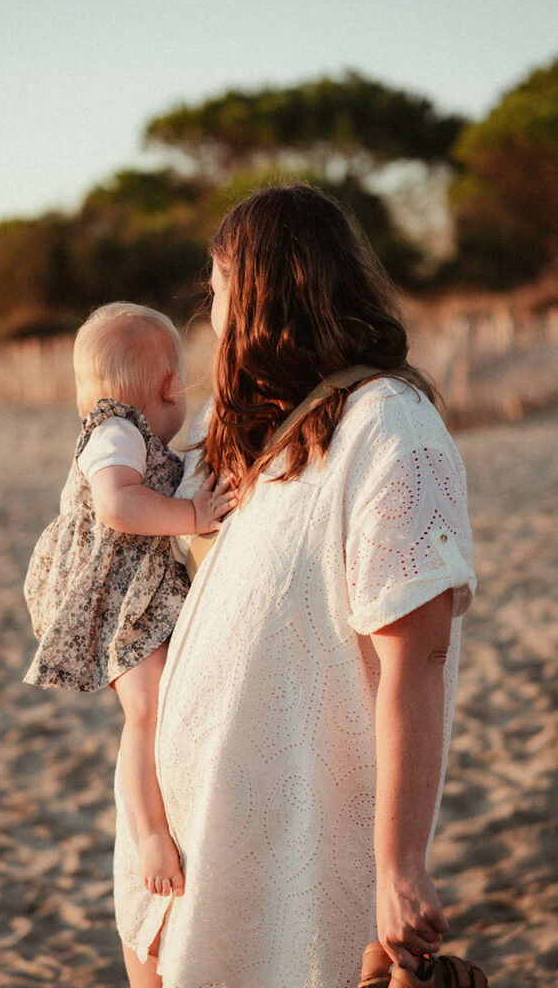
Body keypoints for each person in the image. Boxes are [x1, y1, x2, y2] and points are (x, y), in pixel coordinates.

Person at [113, 186, 476, 988]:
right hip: (194, 858)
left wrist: (399, 867)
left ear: (259, 292)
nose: (210, 320)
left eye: (216, 292)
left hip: (295, 875)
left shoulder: (388, 428)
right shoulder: (262, 428)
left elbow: (415, 657)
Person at [23, 302, 234, 911]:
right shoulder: (116, 431)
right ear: (170, 388)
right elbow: (117, 506)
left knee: (158, 701)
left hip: (128, 591)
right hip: (107, 598)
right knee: (148, 708)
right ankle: (149, 837)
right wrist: (193, 515)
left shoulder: (125, 431)